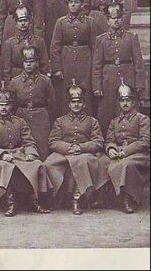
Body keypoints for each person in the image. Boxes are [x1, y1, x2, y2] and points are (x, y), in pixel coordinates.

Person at [0, 86, 51, 217]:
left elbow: (28, 141)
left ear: (11, 105)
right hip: (0, 158)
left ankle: (35, 201)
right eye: (1, 104)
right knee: (5, 167)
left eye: (7, 104)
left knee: (36, 165)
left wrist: (30, 152)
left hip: (19, 154)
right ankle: (10, 203)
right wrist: (2, 154)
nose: (4, 108)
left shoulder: (20, 122)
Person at [43, 82, 107, 215]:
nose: (76, 104)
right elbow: (53, 141)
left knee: (81, 162)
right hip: (64, 153)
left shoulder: (92, 121)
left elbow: (98, 141)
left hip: (84, 153)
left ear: (84, 104)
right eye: (73, 102)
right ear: (69, 104)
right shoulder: (60, 121)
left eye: (79, 102)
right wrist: (68, 148)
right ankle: (54, 197)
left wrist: (81, 147)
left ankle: (76, 199)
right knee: (48, 164)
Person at [92, 1, 145, 135]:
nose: (116, 20)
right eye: (113, 18)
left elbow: (138, 63)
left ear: (122, 19)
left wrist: (139, 84)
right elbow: (97, 65)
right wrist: (97, 86)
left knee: (128, 108)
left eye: (119, 17)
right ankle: (107, 140)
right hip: (108, 80)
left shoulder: (131, 38)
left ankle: (129, 138)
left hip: (127, 77)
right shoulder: (101, 40)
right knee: (107, 111)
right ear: (108, 20)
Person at [100, 80, 150, 214]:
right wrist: (111, 149)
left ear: (133, 103)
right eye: (122, 101)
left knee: (127, 164)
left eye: (128, 100)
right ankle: (104, 196)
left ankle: (128, 198)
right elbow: (109, 140)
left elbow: (145, 141)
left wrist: (125, 151)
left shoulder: (142, 119)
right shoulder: (115, 121)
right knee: (101, 161)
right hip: (118, 153)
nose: (125, 103)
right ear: (119, 103)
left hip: (139, 154)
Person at [50, 0, 97, 116]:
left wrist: (93, 68)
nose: (73, 5)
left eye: (76, 2)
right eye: (70, 2)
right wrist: (57, 68)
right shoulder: (61, 22)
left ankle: (86, 122)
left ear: (81, 4)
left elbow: (95, 47)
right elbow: (55, 47)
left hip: (85, 62)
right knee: (66, 93)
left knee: (85, 93)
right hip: (66, 62)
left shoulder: (90, 22)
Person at [9, 46, 56, 159]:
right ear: (22, 63)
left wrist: (44, 115)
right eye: (26, 62)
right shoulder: (15, 82)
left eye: (32, 61)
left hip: (40, 117)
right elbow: (12, 103)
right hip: (21, 115)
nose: (29, 64)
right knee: (23, 145)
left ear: (37, 63)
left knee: (42, 146)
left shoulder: (45, 81)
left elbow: (51, 103)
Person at [1, 5, 50, 82]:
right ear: (16, 24)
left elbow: (44, 66)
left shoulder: (39, 42)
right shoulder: (9, 43)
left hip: (36, 81)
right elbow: (6, 69)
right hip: (17, 82)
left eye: (25, 20)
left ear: (30, 22)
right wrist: (8, 84)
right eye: (20, 21)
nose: (23, 23)